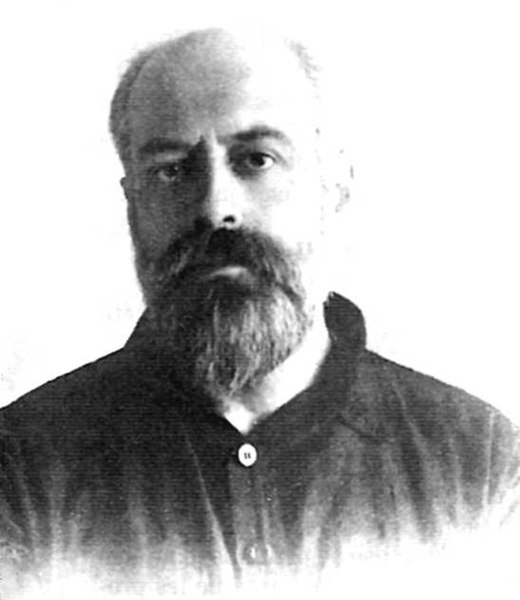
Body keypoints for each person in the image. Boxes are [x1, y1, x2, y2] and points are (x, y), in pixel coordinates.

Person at [1, 27, 519, 598]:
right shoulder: (23, 468)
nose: (215, 208)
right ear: (132, 204)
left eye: (256, 160)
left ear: (335, 186)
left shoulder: (479, 462)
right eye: (171, 170)